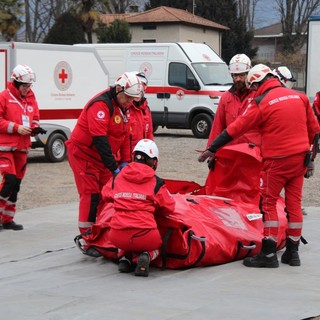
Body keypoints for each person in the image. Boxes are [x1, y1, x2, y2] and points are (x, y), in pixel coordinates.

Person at [198, 64, 320, 268]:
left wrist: (213, 148)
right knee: (293, 204)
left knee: (268, 203)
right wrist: (311, 158)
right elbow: (315, 130)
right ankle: (293, 252)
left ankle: (269, 254)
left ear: (257, 82)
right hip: (299, 160)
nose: (253, 91)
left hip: (276, 161)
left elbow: (236, 128)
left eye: (253, 87)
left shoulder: (262, 102)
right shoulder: (298, 97)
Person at [66, 72, 144, 234]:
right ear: (118, 89)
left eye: (132, 99)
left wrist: (125, 161)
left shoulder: (124, 107)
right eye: (128, 98)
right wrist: (113, 167)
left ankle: (102, 230)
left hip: (101, 158)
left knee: (108, 194)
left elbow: (124, 136)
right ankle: (87, 236)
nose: (130, 102)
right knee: (91, 194)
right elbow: (100, 140)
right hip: (84, 155)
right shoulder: (100, 105)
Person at [102, 139, 175, 277]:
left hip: (117, 234)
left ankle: (125, 259)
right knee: (157, 244)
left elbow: (106, 195)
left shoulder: (117, 178)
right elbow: (169, 207)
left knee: (126, 240)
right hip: (145, 235)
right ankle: (146, 256)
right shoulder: (156, 182)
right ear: (154, 161)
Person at [0, 64, 40, 230]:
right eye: (24, 86)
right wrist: (16, 128)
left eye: (29, 86)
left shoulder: (31, 97)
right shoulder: (3, 97)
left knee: (16, 184)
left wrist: (36, 128)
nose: (27, 89)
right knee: (9, 180)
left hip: (22, 147)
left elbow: (35, 116)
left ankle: (8, 219)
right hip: (5, 147)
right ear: (15, 83)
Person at [206, 53, 260, 148]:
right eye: (235, 75)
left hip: (253, 151)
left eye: (241, 75)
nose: (238, 79)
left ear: (249, 74)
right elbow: (217, 126)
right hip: (232, 151)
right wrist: (210, 150)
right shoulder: (226, 97)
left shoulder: (258, 95)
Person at [125, 72, 154, 154]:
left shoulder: (145, 109)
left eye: (142, 87)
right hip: (127, 157)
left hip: (141, 156)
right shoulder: (125, 108)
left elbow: (149, 134)